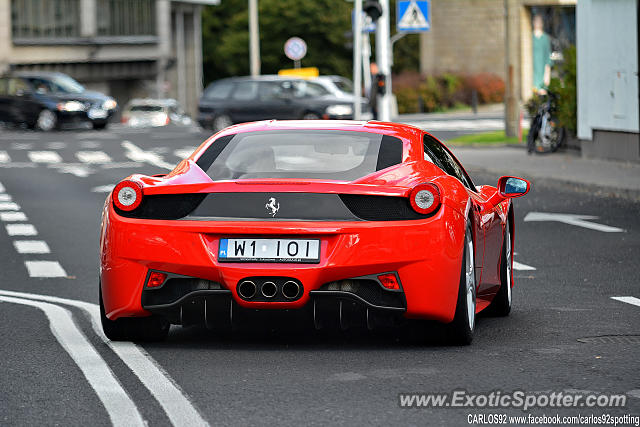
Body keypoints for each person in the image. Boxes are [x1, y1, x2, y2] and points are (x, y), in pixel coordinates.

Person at [532, 14, 552, 95]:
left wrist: (547, 75)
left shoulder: (545, 38)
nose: (537, 23)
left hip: (542, 71)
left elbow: (547, 57)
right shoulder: (530, 37)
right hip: (532, 71)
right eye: (536, 22)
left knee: (542, 94)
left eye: (539, 22)